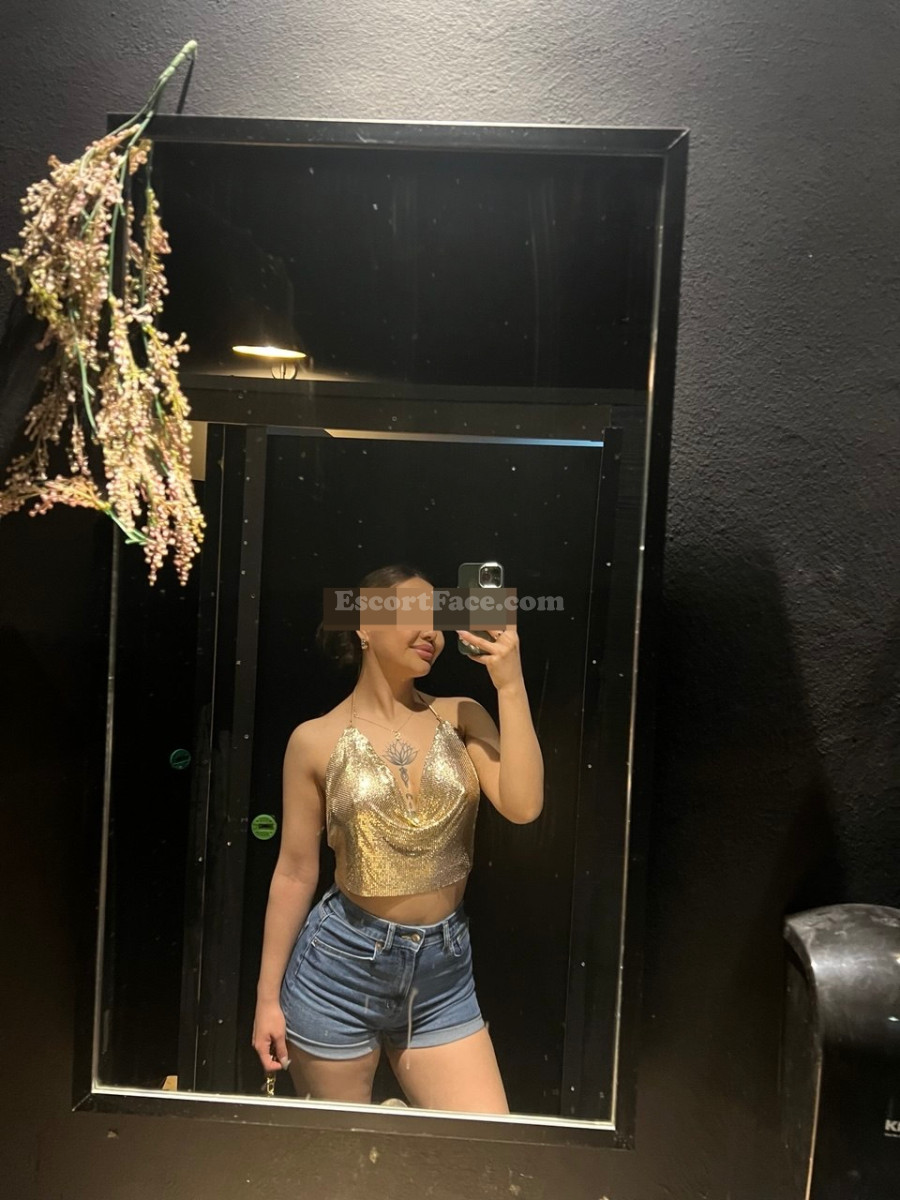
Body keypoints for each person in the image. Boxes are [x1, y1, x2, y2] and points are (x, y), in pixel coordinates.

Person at [251, 563, 543, 1113]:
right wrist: (267, 998)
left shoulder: (461, 715)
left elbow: (524, 806)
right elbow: (294, 872)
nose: (432, 631)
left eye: (438, 617)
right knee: (342, 1153)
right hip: (337, 970)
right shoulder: (312, 740)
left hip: (443, 977)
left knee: (485, 1144)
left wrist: (510, 683)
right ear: (364, 623)